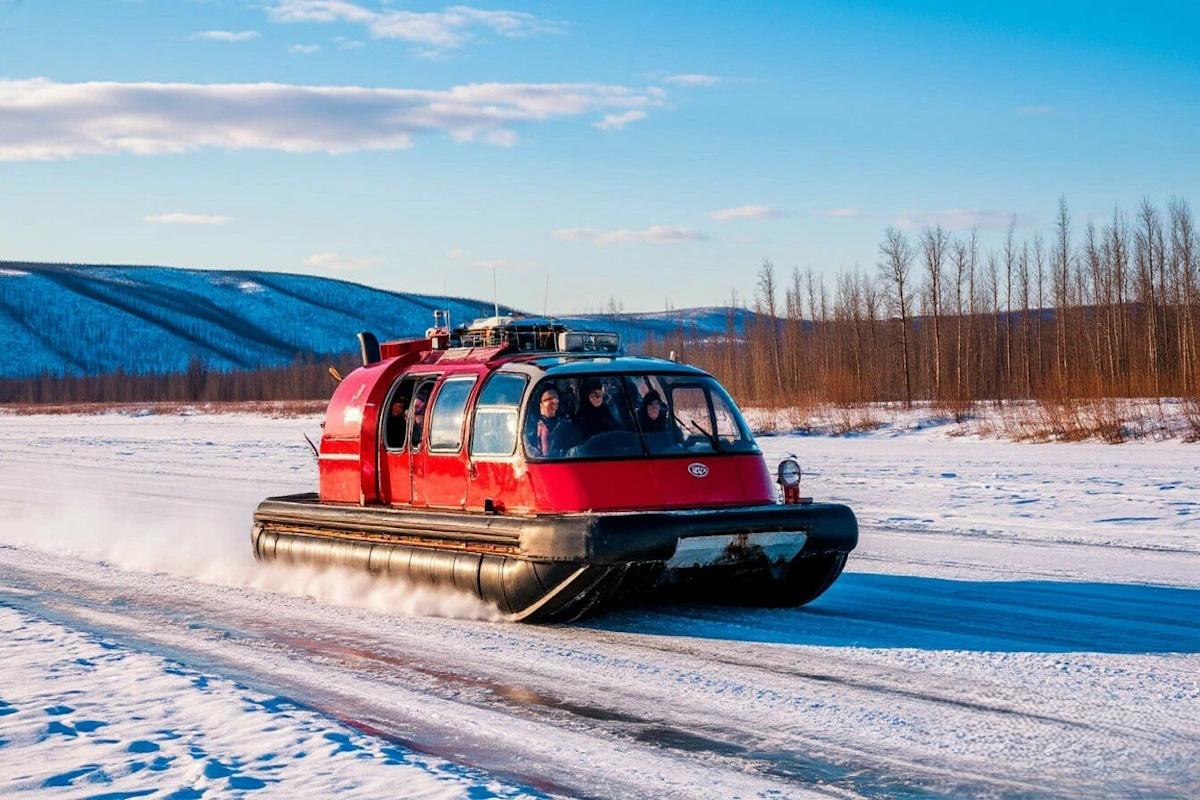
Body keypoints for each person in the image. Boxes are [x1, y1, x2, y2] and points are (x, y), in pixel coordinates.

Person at [525, 385, 565, 457]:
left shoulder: (566, 426)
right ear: (540, 405)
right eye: (547, 400)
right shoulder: (529, 428)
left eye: (555, 400)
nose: (551, 404)